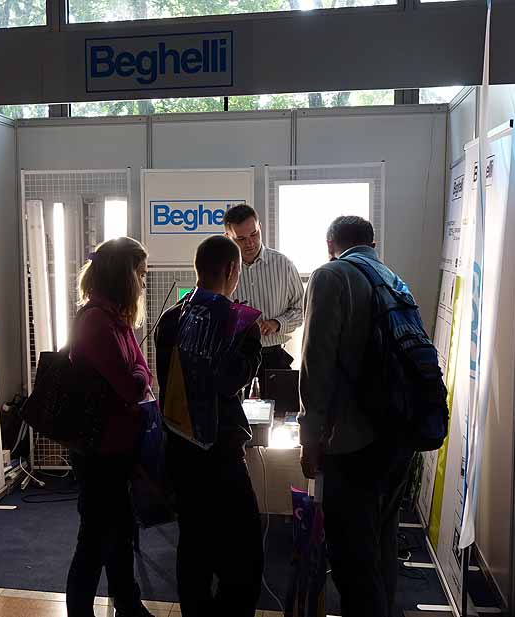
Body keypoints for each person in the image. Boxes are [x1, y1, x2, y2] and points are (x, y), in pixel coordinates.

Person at [298, 216, 415, 617]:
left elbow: (316, 364)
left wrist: (309, 439)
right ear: (372, 243)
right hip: (399, 434)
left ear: (330, 244)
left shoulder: (330, 276)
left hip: (353, 440)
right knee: (382, 544)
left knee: (352, 556)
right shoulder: (392, 279)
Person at [155, 235, 264, 617]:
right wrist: (252, 349)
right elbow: (231, 381)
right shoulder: (239, 322)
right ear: (232, 270)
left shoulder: (170, 319)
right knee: (245, 556)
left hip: (179, 450)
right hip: (221, 456)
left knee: (194, 548)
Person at [66, 237, 155, 617]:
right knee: (94, 541)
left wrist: (138, 374)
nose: (144, 283)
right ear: (124, 276)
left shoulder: (113, 318)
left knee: (117, 534)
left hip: (114, 446)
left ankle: (128, 604)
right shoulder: (98, 322)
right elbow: (133, 385)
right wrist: (139, 374)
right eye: (141, 274)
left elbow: (140, 372)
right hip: (99, 450)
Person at [223, 204, 304, 399]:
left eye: (254, 234)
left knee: (280, 413)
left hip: (274, 358)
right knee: (235, 415)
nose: (250, 243)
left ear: (260, 227)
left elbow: (302, 309)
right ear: (228, 237)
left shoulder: (283, 265)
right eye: (241, 239)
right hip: (234, 358)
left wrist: (277, 323)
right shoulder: (223, 269)